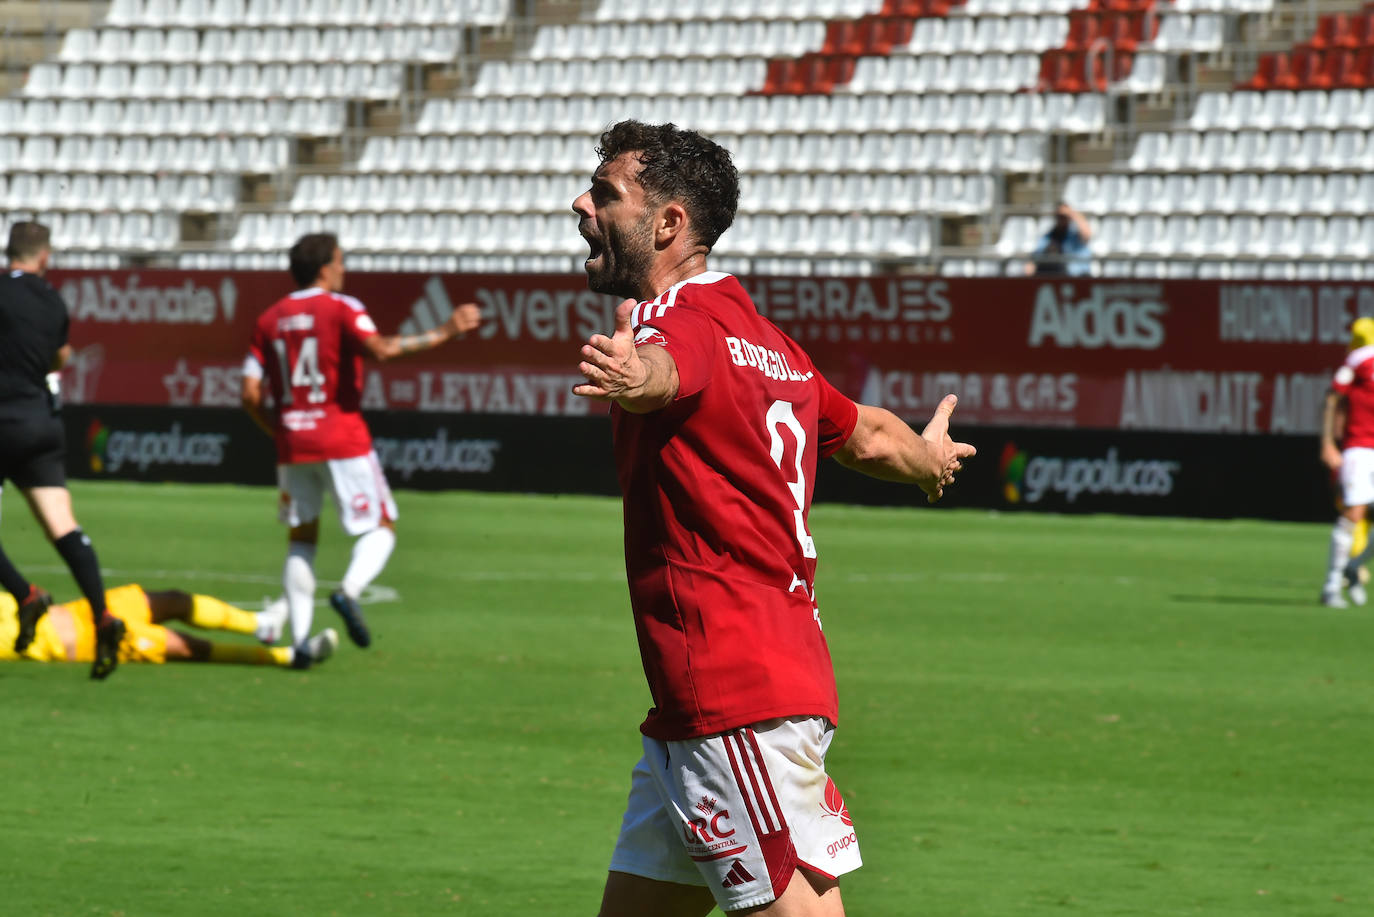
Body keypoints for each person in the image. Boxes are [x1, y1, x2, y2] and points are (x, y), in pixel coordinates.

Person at [570, 120, 975, 917]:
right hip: (734, 691)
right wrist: (928, 459)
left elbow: (665, 372)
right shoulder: (771, 345)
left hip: (732, 694)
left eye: (606, 194)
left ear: (668, 224)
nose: (581, 203)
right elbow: (869, 434)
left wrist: (634, 372)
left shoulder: (671, 326)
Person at [241, 233, 480, 664]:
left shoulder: (269, 318)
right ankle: (349, 592)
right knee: (382, 526)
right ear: (325, 268)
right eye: (340, 261)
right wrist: (445, 331)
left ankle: (297, 645)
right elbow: (382, 349)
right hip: (340, 435)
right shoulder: (343, 307)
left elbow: (248, 393)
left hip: (293, 440)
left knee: (301, 539)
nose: (344, 268)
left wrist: (279, 429)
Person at [0, 220, 125, 679]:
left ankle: (25, 594)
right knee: (62, 525)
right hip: (42, 423)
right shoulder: (53, 301)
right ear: (45, 257)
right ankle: (103, 615)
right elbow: (60, 356)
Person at [1, 582, 336, 667]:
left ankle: (262, 624)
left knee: (174, 600)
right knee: (189, 647)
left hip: (80, 611)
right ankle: (290, 656)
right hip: (82, 642)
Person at [1319, 316, 1374, 607]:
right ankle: (1331, 586)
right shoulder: (1361, 359)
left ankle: (1353, 567)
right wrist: (1328, 442)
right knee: (1354, 513)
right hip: (1360, 447)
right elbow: (1332, 398)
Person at [1027, 202, 1093, 276]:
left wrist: (1073, 214)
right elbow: (1034, 259)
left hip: (1076, 277)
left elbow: (1087, 235)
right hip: (1053, 276)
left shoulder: (1076, 237)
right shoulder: (1048, 238)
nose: (1062, 219)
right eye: (1060, 216)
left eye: (1065, 216)